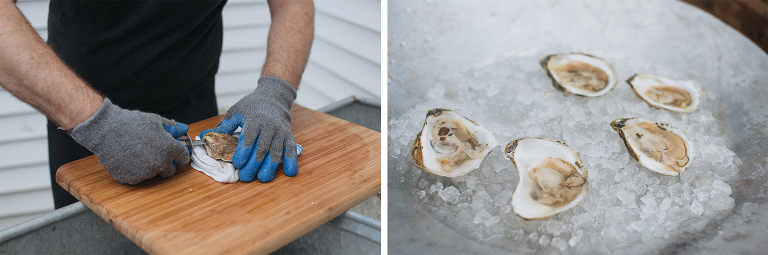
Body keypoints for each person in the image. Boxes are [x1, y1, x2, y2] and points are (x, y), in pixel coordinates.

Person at [0, 0, 314, 209]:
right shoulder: (91, 124)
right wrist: (98, 123)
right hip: (84, 126)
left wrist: (275, 92)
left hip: (195, 115)